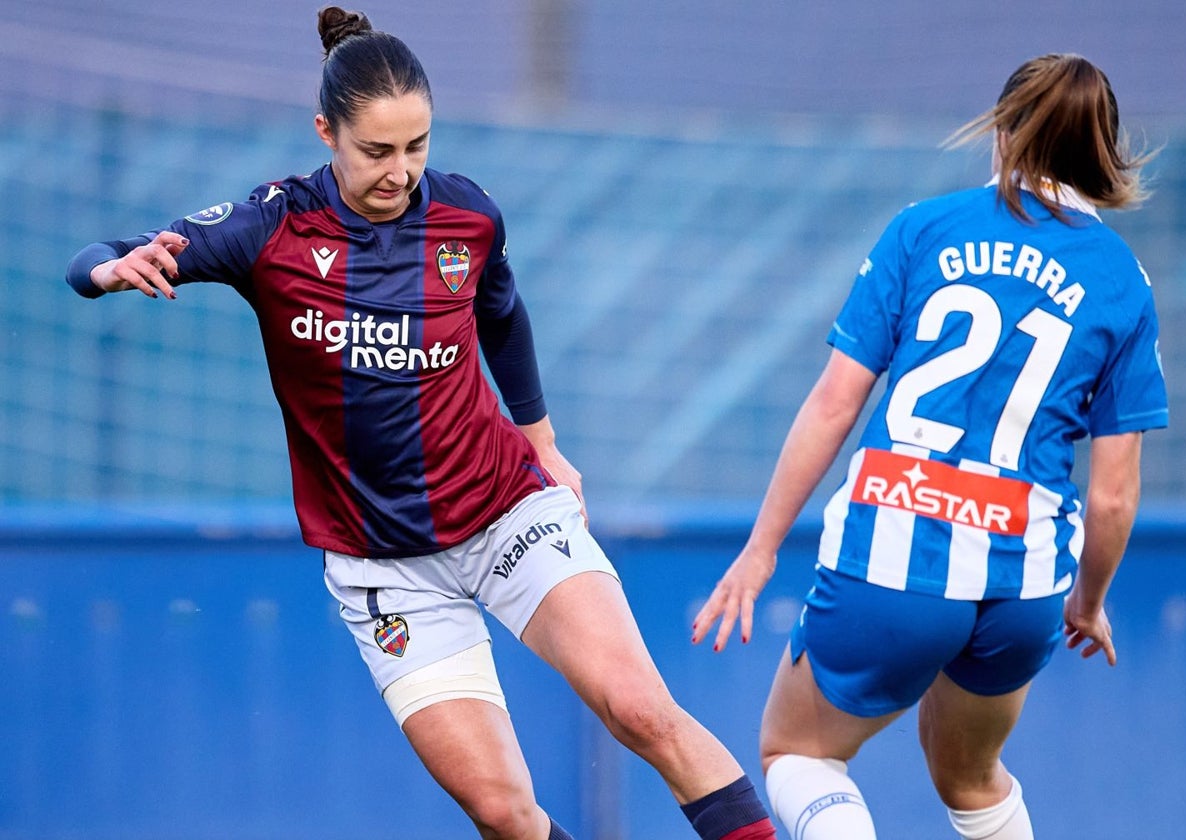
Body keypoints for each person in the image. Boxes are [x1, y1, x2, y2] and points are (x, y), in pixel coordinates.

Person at [65, 7, 777, 840]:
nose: (401, 172)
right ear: (327, 132)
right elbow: (99, 258)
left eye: (418, 146)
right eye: (376, 151)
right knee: (503, 813)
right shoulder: (271, 228)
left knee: (640, 710)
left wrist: (544, 443)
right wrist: (111, 270)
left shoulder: (467, 219)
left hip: (506, 511)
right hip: (383, 570)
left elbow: (502, 317)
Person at [692, 53, 1167, 840]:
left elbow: (832, 405)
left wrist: (761, 549)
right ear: (1100, 154)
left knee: (797, 753)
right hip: (1022, 584)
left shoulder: (924, 229)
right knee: (971, 776)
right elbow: (1114, 496)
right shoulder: (1124, 279)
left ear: (1004, 133)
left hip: (892, 556)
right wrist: (1086, 601)